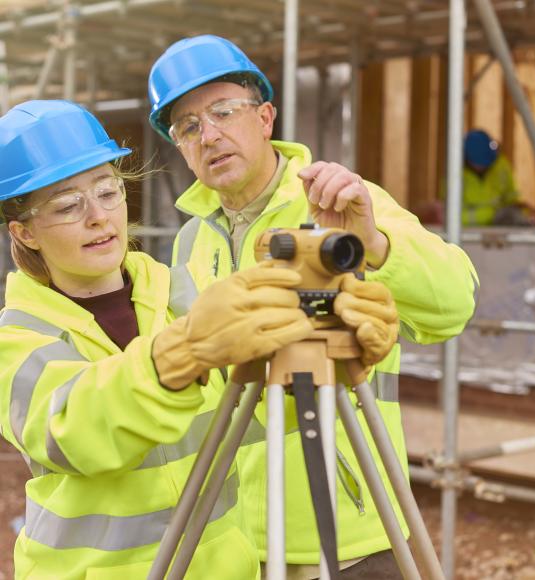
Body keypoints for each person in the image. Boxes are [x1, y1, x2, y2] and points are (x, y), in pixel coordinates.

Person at [147, 35, 479, 579]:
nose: (209, 135)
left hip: (350, 538)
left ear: (266, 117)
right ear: (180, 148)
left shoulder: (339, 204)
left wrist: (373, 242)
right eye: (187, 126)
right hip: (229, 540)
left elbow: (454, 303)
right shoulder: (189, 243)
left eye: (224, 111)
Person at [0, 99, 322, 579]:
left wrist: (319, 352)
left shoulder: (181, 291)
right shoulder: (19, 336)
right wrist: (178, 355)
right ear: (24, 233)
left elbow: (256, 411)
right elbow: (79, 432)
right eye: (69, 205)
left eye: (108, 192)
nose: (98, 217)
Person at [460, 129, 535, 226]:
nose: (485, 166)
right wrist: (492, 214)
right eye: (479, 162)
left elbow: (512, 199)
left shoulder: (501, 165)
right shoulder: (455, 173)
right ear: (467, 159)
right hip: (468, 233)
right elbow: (450, 215)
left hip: (501, 229)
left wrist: (522, 214)